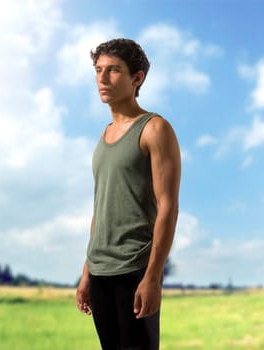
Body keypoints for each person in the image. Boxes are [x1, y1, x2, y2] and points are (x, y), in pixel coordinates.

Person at [76, 38, 181, 350]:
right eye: (98, 70)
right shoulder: (103, 135)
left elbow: (168, 207)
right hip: (100, 271)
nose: (102, 79)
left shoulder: (154, 128)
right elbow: (101, 209)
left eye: (113, 70)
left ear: (137, 78)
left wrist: (152, 276)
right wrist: (86, 271)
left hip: (135, 268)